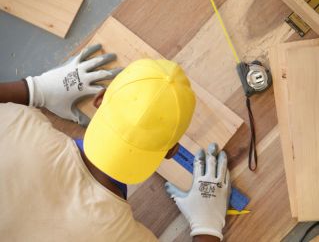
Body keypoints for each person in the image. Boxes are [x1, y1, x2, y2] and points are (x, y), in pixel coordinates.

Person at [0, 44, 230, 242]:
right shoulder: (120, 235)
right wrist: (207, 226)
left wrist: (34, 89)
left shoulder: (14, 121)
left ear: (99, 99)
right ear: (171, 151)